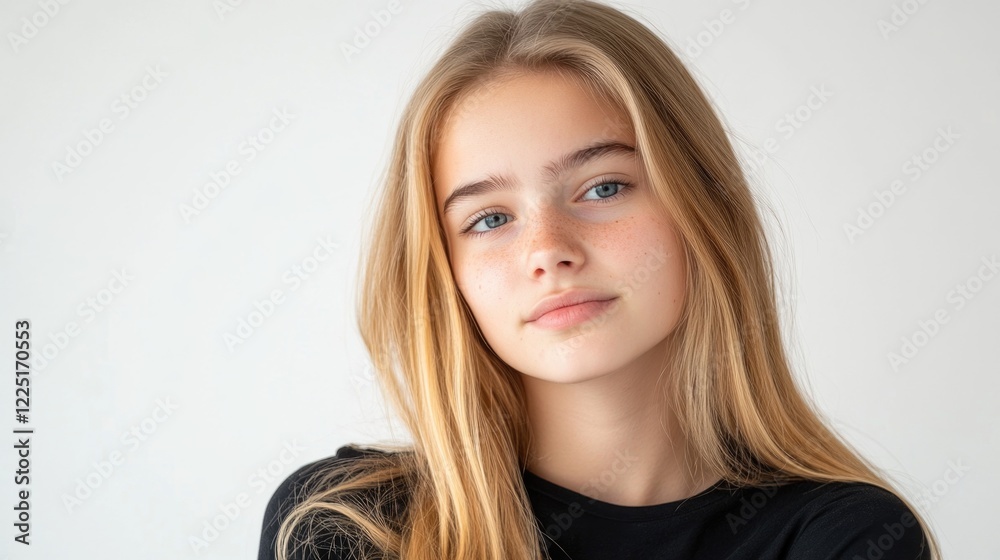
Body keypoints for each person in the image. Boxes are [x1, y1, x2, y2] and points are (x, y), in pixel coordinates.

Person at [258, 1, 941, 558]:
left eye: (603, 187)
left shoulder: (845, 538)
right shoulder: (346, 528)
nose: (548, 251)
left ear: (701, 206)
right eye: (490, 219)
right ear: (446, 272)